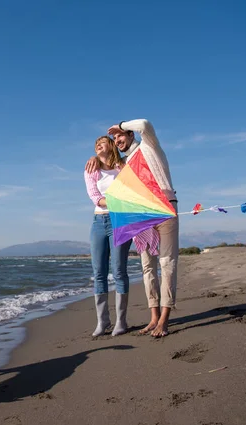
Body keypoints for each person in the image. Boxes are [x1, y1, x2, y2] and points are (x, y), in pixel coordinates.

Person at [85, 119, 179, 338]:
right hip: (140, 215)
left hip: (164, 208)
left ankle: (164, 319)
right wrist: (95, 157)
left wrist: (121, 124)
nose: (117, 140)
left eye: (120, 136)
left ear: (130, 135)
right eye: (115, 138)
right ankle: (153, 317)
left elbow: (145, 124)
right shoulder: (125, 163)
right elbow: (105, 181)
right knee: (147, 266)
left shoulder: (148, 145)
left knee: (167, 263)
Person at [84, 135, 132, 337]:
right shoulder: (91, 168)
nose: (97, 146)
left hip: (120, 221)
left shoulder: (123, 167)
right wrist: (114, 201)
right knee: (99, 273)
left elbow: (131, 190)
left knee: (119, 270)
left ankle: (121, 321)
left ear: (111, 145)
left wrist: (117, 203)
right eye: (95, 144)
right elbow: (95, 197)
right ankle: (102, 322)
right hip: (98, 222)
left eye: (101, 142)